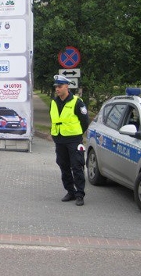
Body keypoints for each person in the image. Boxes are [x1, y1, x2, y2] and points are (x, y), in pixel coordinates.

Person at [50, 74, 89, 206]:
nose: (57, 89)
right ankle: (70, 192)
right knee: (63, 166)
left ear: (67, 87)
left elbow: (84, 121)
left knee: (77, 166)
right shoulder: (54, 102)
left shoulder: (77, 102)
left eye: (60, 86)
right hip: (59, 140)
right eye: (56, 87)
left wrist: (77, 134)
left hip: (73, 140)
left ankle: (80, 194)